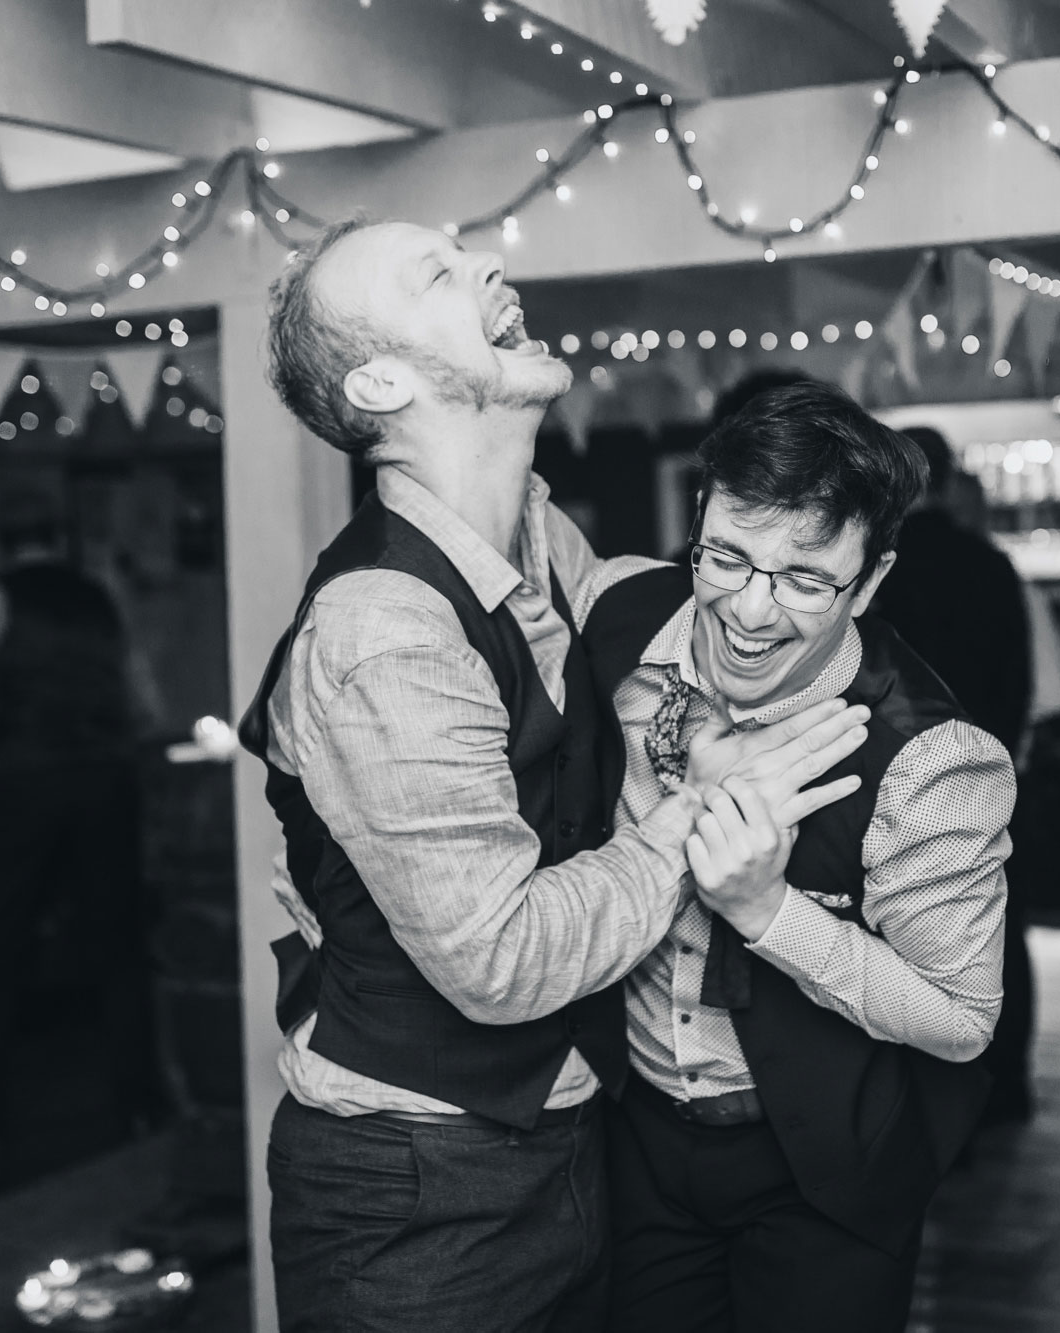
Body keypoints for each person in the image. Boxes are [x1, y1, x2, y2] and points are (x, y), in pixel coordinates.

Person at [238, 218, 871, 1333]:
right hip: (417, 1195)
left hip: (564, 1140)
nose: (486, 265)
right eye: (436, 272)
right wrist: (712, 812)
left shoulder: (531, 534)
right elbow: (501, 957)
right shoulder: (384, 627)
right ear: (380, 381)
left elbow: (637, 628)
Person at [573, 383, 1015, 1333]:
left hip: (821, 1173)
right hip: (636, 1135)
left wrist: (769, 912)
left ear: (872, 578)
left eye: (806, 579)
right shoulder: (618, 618)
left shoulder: (936, 759)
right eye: (726, 555)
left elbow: (963, 1015)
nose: (750, 609)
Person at [0, 486, 164, 1180]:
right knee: (119, 949)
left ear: (2, 537)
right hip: (107, 784)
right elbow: (145, 706)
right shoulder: (100, 599)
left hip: (23, 786)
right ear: (57, 534)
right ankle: (142, 1109)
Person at [870, 423, 1037, 1125]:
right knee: (998, 928)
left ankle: (926, 1111)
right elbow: (1018, 679)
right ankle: (1005, 1089)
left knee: (899, 942)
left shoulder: (875, 565)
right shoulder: (988, 562)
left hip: (892, 777)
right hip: (980, 771)